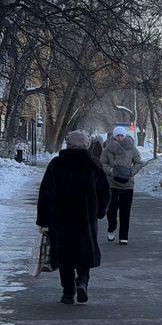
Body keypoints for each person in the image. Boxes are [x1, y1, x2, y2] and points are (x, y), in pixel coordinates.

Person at [36, 130, 111, 305]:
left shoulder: (56, 164)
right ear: (86, 145)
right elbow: (105, 192)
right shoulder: (93, 164)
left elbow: (45, 192)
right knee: (84, 253)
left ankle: (68, 293)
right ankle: (82, 281)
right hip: (85, 219)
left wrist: (42, 219)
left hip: (60, 219)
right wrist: (99, 211)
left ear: (68, 144)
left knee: (64, 256)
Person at [101, 126, 142, 244]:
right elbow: (102, 163)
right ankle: (111, 228)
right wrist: (110, 171)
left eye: (121, 135)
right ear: (114, 136)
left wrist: (131, 172)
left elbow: (138, 163)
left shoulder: (131, 148)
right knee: (111, 210)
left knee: (125, 210)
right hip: (112, 183)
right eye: (117, 135)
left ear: (125, 136)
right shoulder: (108, 149)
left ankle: (123, 237)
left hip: (127, 184)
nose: (119, 137)